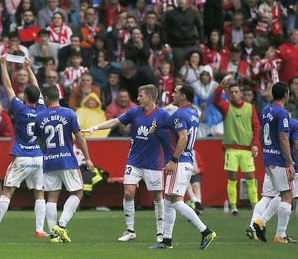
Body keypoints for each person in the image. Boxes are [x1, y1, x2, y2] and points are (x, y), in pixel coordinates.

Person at [82, 84, 169, 243]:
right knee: (128, 193)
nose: (137, 98)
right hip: (134, 161)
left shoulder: (163, 115)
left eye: (140, 95)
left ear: (149, 97)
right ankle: (130, 230)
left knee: (156, 197)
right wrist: (95, 127)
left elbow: (173, 135)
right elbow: (115, 121)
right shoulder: (135, 112)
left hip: (154, 163)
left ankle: (161, 232)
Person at [0, 55, 47, 238]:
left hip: (22, 156)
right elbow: (36, 86)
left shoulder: (20, 108)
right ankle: (40, 230)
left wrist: (3, 64)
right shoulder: (42, 108)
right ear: (38, 98)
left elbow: (7, 87)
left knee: (7, 191)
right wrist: (29, 68)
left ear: (24, 97)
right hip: (38, 156)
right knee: (39, 193)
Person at [149, 84, 217, 250]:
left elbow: (183, 137)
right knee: (168, 200)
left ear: (183, 96)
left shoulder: (180, 113)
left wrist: (173, 160)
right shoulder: (192, 113)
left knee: (176, 201)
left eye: (176, 92)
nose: (172, 94)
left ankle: (206, 231)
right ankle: (167, 240)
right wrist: (157, 131)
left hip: (179, 161)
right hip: (186, 160)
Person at [247, 103, 298, 241]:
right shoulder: (294, 123)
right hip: (286, 164)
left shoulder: (268, 115)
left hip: (270, 161)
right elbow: (297, 147)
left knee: (270, 196)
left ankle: (258, 222)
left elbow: (261, 134)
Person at [34, 85, 94, 243]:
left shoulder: (39, 117)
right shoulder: (69, 113)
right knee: (78, 192)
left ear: (46, 98)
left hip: (49, 161)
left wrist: (46, 152)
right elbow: (79, 136)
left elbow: (39, 140)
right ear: (58, 97)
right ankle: (61, 225)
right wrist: (87, 158)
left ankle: (53, 236)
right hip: (67, 159)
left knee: (52, 197)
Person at [254, 82, 296, 244]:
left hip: (268, 158)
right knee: (287, 195)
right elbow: (283, 138)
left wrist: (266, 150)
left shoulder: (265, 110)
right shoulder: (282, 113)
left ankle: (260, 222)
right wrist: (290, 162)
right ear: (286, 94)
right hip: (279, 160)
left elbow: (259, 134)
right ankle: (280, 235)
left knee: (279, 193)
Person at [214, 75, 260, 215]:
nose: (234, 94)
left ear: (241, 94)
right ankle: (233, 206)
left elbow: (256, 126)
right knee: (232, 178)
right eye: (231, 92)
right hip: (231, 149)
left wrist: (256, 144)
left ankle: (255, 206)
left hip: (247, 149)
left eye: (236, 92)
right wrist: (220, 86)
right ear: (228, 94)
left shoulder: (250, 108)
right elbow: (215, 101)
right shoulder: (226, 107)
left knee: (250, 178)